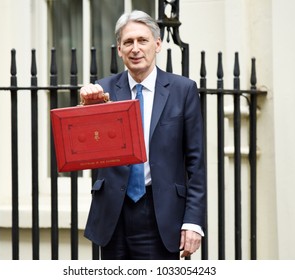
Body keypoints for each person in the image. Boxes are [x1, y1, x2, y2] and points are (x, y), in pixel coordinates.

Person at [80, 10, 206, 260]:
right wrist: (86, 109)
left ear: (157, 44)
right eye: (128, 42)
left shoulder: (183, 90)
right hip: (113, 214)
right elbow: (85, 149)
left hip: (161, 213)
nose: (135, 48)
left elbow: (196, 163)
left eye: (142, 40)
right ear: (119, 49)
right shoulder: (102, 90)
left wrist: (193, 221)